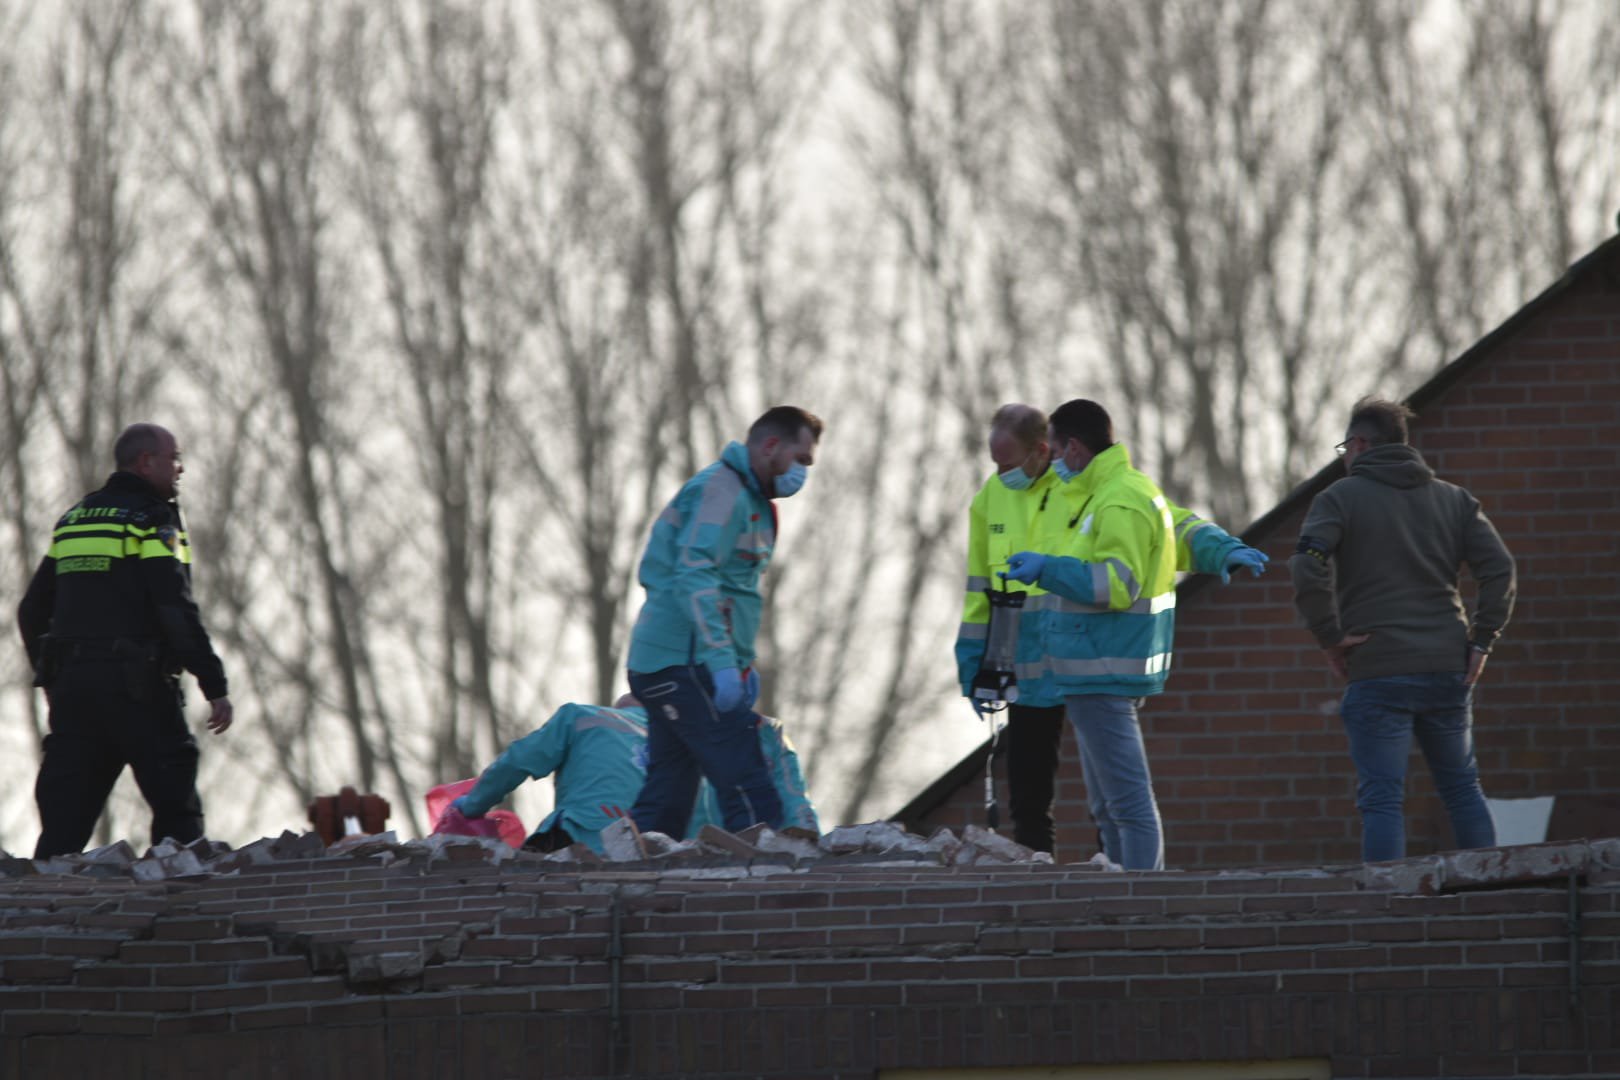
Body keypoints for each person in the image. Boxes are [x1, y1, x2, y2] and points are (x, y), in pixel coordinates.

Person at [955, 404, 1267, 855]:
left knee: (1113, 800)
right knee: (1034, 797)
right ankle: (1052, 883)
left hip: (1089, 654)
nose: (1002, 474)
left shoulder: (1084, 488)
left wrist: (1219, 549)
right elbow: (979, 588)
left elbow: (1165, 526)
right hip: (1032, 663)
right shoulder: (994, 499)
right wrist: (975, 664)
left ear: (1045, 450)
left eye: (1009, 463)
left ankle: (1120, 880)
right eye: (996, 464)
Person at [1289, 397, 1515, 862]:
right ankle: (1490, 893)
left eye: (1343, 448)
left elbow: (1306, 565)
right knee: (1462, 789)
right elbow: (1500, 569)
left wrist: (1330, 637)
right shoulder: (1454, 500)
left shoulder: (1339, 498)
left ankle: (1387, 899)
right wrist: (1482, 641)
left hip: (1379, 667)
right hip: (1447, 666)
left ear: (1358, 444)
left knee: (1382, 799)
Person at [18, 423, 233, 858]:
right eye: (174, 458)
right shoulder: (152, 520)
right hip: (140, 690)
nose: (180, 468)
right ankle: (183, 899)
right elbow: (174, 608)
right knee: (178, 824)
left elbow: (31, 611)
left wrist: (53, 677)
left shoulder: (73, 520)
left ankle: (42, 900)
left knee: (61, 832)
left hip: (76, 697)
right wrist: (214, 684)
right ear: (146, 462)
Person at [626, 406, 823, 838]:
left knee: (669, 793)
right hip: (684, 661)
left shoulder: (751, 500)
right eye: (801, 459)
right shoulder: (722, 491)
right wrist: (721, 665)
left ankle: (631, 869)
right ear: (771, 446)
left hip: (672, 663)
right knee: (747, 782)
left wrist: (739, 663)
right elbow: (694, 575)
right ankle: (763, 871)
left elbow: (735, 592)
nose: (803, 472)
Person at [446, 696, 819, 854]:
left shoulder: (584, 717)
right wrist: (812, 846)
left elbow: (514, 764)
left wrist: (467, 808)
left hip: (582, 843)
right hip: (673, 861)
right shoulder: (728, 742)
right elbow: (793, 801)